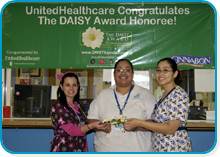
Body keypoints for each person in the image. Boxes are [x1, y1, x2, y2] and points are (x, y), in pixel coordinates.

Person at [87, 59, 156, 152]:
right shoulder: (102, 95)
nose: (123, 73)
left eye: (127, 70)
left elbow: (156, 122)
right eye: (119, 70)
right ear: (114, 74)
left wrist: (137, 126)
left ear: (132, 74)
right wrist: (101, 126)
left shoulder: (146, 95)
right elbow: (91, 119)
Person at [124, 57, 192, 152]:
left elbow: (170, 128)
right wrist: (136, 125)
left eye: (165, 70)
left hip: (174, 147)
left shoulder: (179, 95)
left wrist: (139, 122)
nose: (161, 74)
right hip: (160, 147)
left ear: (175, 74)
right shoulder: (163, 94)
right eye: (158, 70)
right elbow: (158, 123)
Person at [50, 72, 104, 152]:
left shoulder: (77, 105)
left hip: (79, 148)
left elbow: (83, 125)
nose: (71, 88)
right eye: (67, 85)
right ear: (61, 87)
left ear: (78, 87)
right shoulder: (58, 106)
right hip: (64, 149)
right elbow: (73, 131)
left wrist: (99, 124)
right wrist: (92, 126)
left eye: (74, 85)